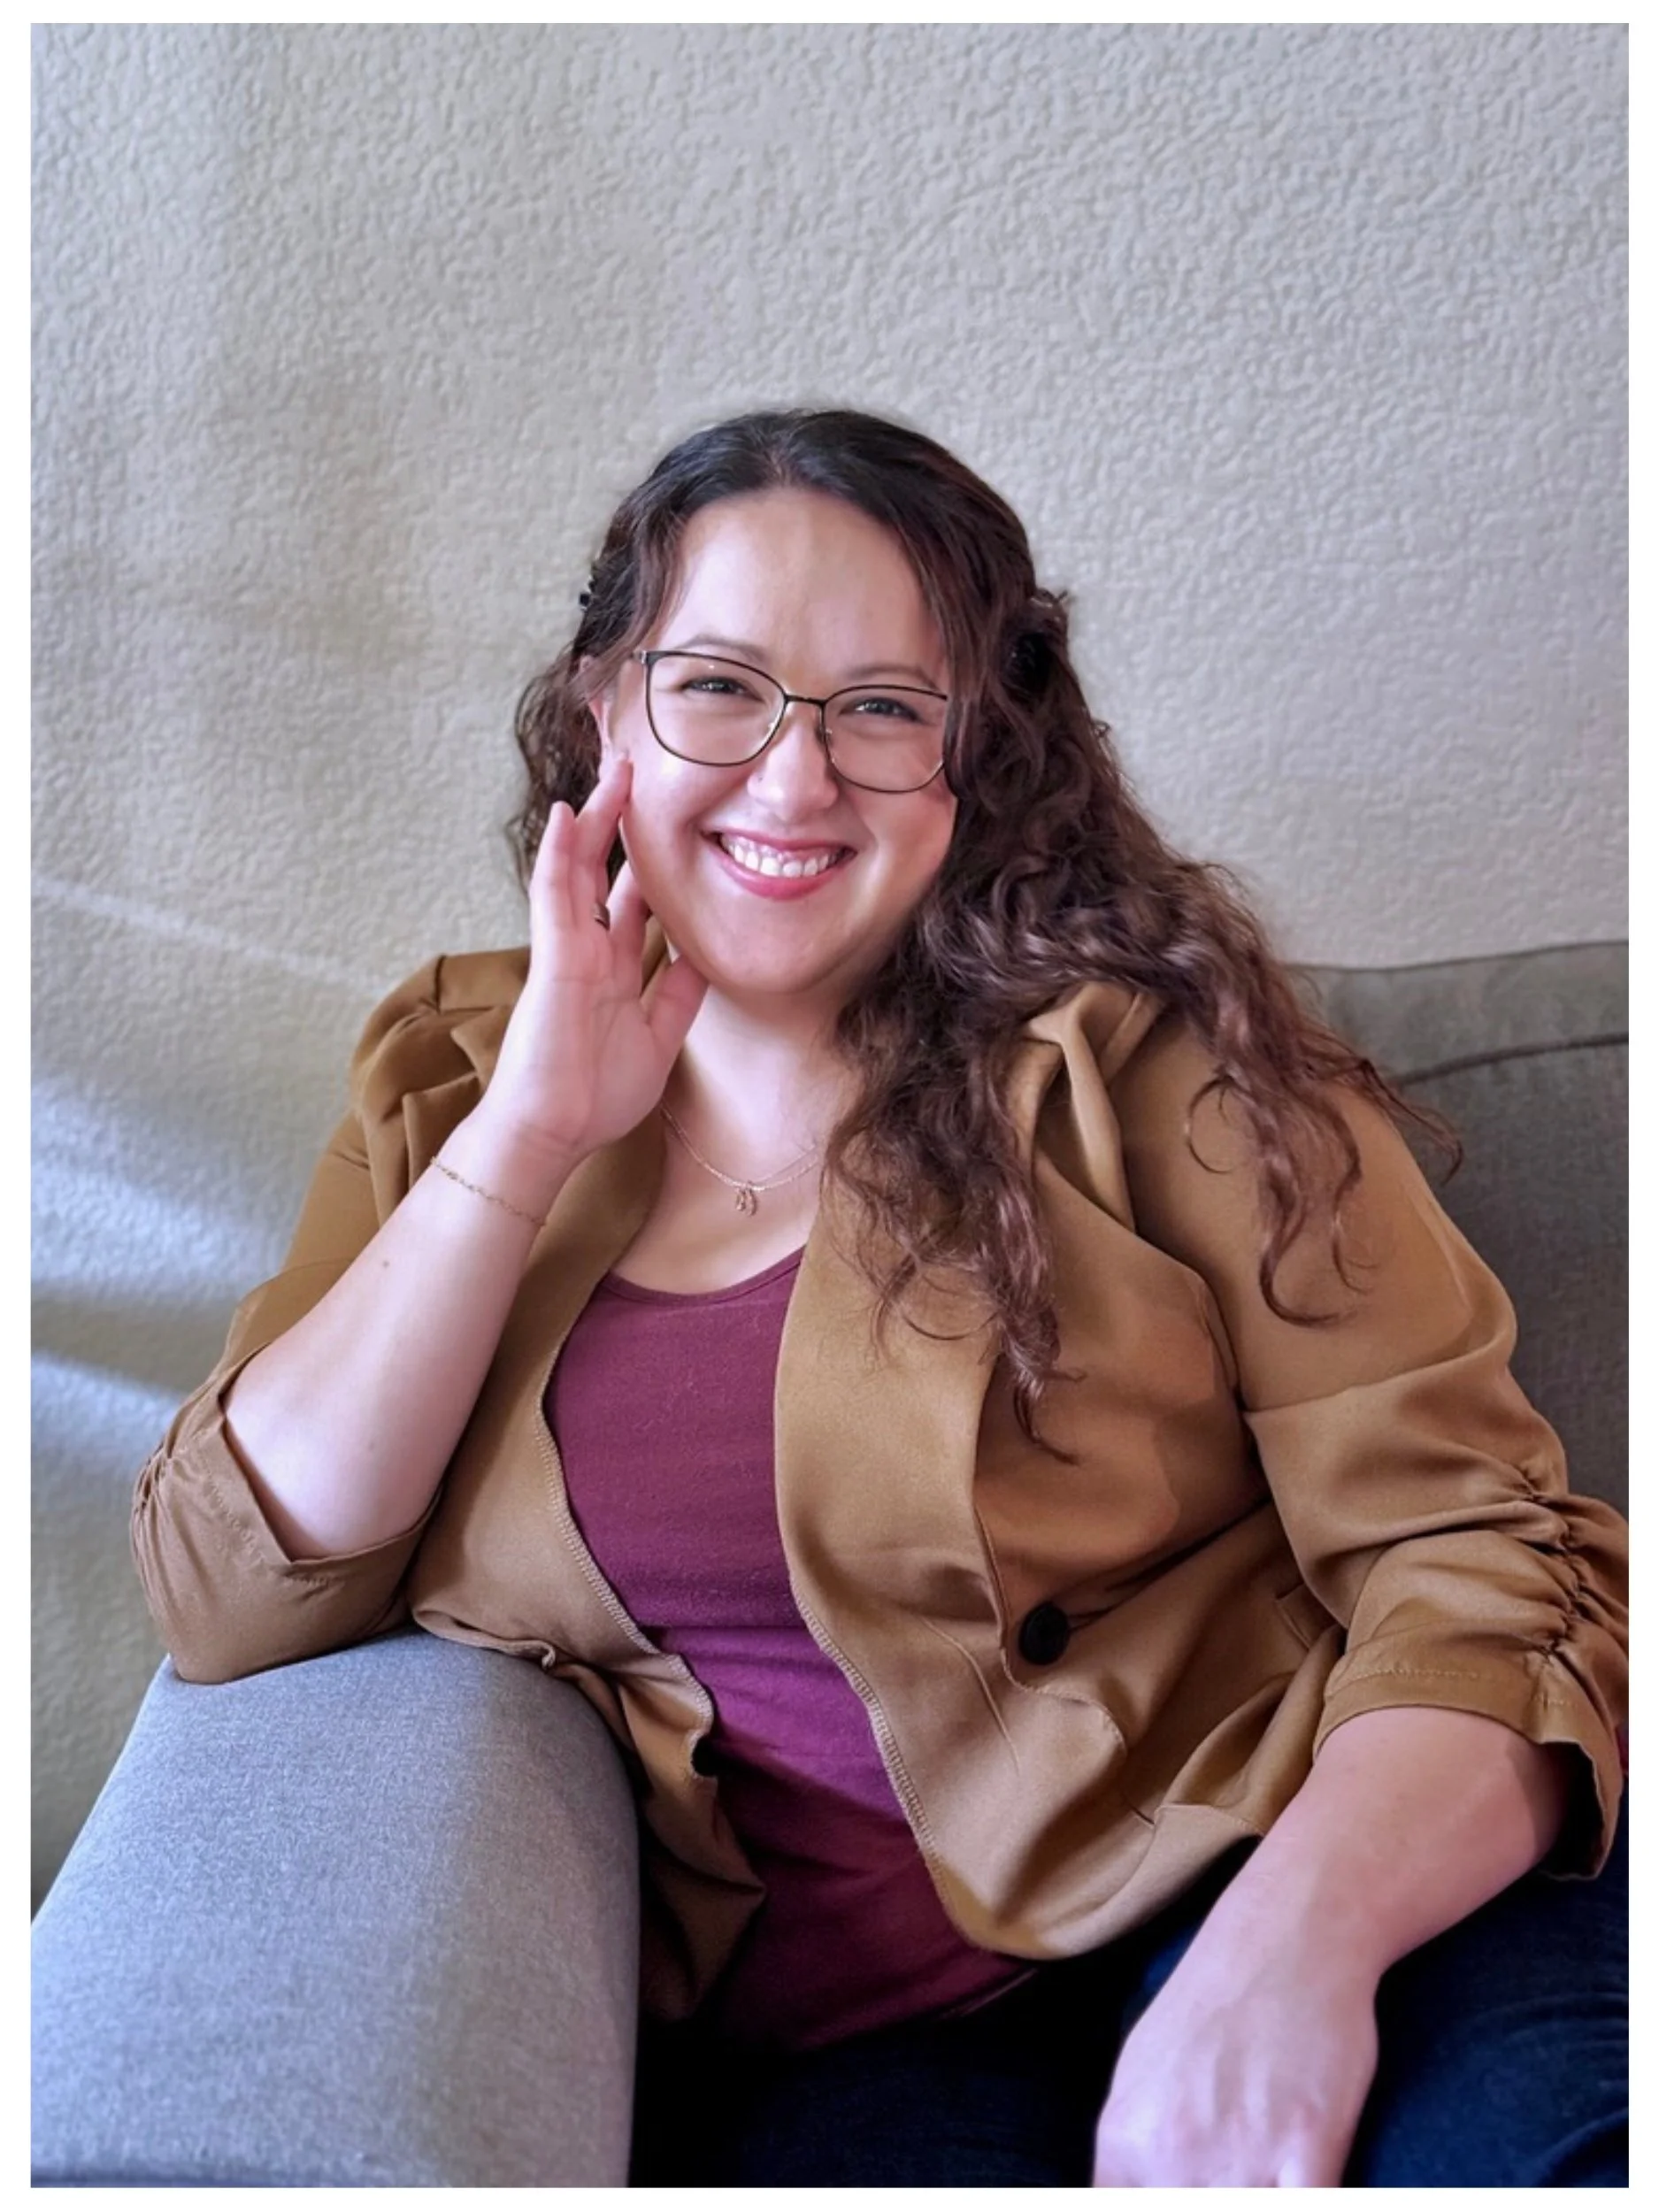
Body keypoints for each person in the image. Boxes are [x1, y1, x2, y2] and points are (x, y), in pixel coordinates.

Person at [134, 408, 1628, 2187]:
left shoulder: (1158, 1061)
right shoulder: (451, 1078)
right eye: (720, 686)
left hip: (1318, 1866)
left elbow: (1480, 1550)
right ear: (607, 704)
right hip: (868, 2043)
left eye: (880, 707)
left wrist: (1287, 1958)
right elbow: (230, 1588)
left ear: (974, 756)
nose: (793, 776)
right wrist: (532, 1129)